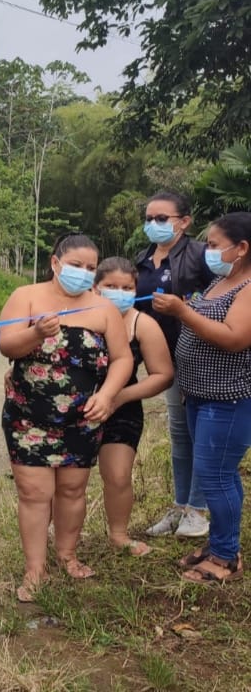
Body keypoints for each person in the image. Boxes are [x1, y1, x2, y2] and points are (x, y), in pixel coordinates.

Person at [0, 233, 132, 602]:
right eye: (76, 265)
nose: (83, 273)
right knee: (34, 493)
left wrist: (107, 395)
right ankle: (35, 569)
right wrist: (36, 333)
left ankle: (67, 555)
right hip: (28, 416)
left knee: (73, 489)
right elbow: (7, 345)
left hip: (83, 417)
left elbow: (123, 358)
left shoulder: (104, 309)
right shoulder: (26, 296)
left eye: (90, 268)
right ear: (55, 263)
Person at [153, 211, 251, 584]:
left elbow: (234, 338)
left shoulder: (248, 288)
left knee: (216, 476)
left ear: (241, 248)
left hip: (228, 399)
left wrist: (182, 311)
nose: (207, 251)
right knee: (218, 474)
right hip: (198, 395)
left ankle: (225, 557)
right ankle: (221, 544)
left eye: (213, 245)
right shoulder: (221, 283)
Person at [134, 192, 212, 539]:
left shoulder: (201, 256)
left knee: (199, 433)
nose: (153, 224)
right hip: (162, 358)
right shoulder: (143, 259)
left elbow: (223, 299)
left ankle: (199, 510)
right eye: (149, 218)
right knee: (179, 434)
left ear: (184, 221)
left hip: (197, 354)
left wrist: (187, 308)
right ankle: (181, 506)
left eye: (162, 218)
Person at [93, 258, 173, 557]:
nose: (119, 293)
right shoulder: (77, 315)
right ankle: (58, 536)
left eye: (127, 288)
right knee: (65, 480)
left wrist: (119, 397)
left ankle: (119, 534)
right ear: (95, 288)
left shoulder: (143, 324)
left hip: (122, 407)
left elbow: (163, 375)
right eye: (111, 286)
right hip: (72, 406)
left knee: (118, 475)